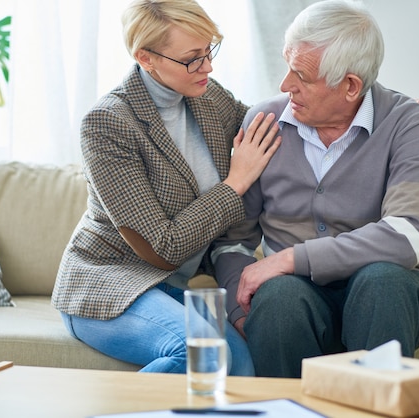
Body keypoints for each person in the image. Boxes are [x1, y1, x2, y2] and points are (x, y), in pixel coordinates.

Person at [211, 0, 419, 378]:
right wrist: (240, 304)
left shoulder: (408, 123)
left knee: (381, 282)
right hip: (295, 297)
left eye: (300, 75)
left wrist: (289, 259)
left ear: (350, 86)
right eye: (288, 66)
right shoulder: (264, 121)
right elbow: (232, 242)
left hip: (387, 291)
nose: (285, 86)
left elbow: (407, 235)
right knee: (279, 298)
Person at [51, 0, 282, 376]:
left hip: (170, 288)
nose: (207, 66)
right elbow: (164, 246)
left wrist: (388, 117)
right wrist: (235, 183)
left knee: (241, 363)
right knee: (203, 352)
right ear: (146, 57)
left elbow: (267, 127)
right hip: (107, 287)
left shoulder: (205, 95)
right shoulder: (107, 123)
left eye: (209, 51)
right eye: (192, 58)